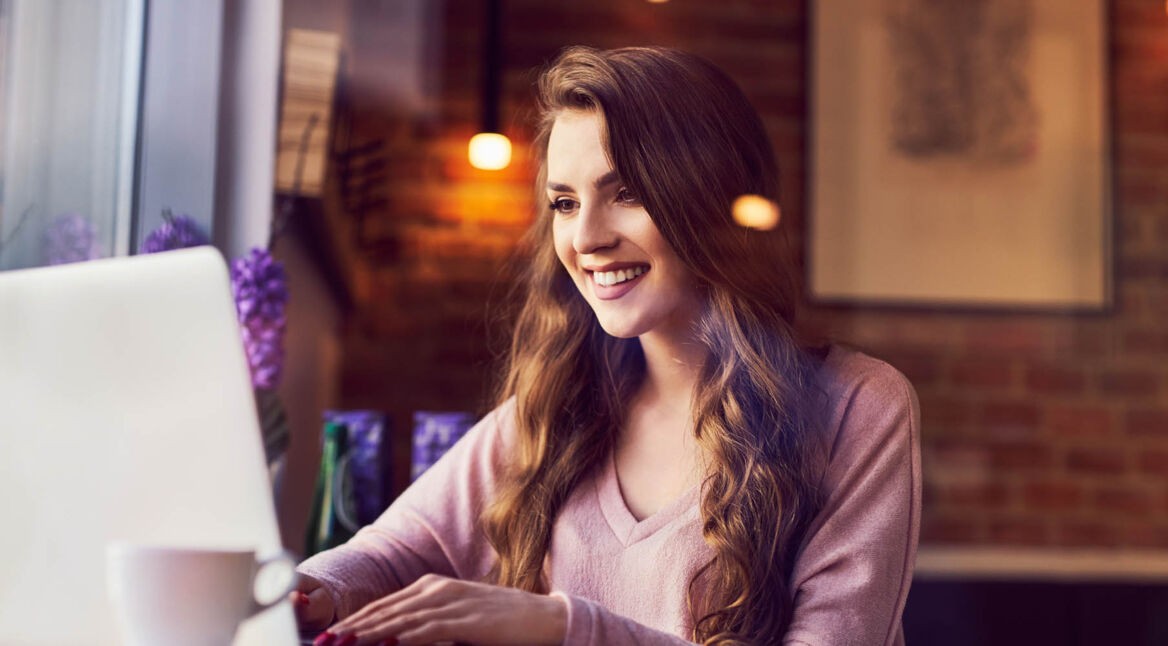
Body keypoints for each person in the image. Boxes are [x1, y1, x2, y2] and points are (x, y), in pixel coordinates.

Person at [292, 45, 921, 646]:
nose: (586, 237)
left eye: (627, 193)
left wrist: (561, 627)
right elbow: (399, 551)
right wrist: (309, 591)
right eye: (565, 203)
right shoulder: (558, 405)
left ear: (710, 199)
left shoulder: (857, 406)